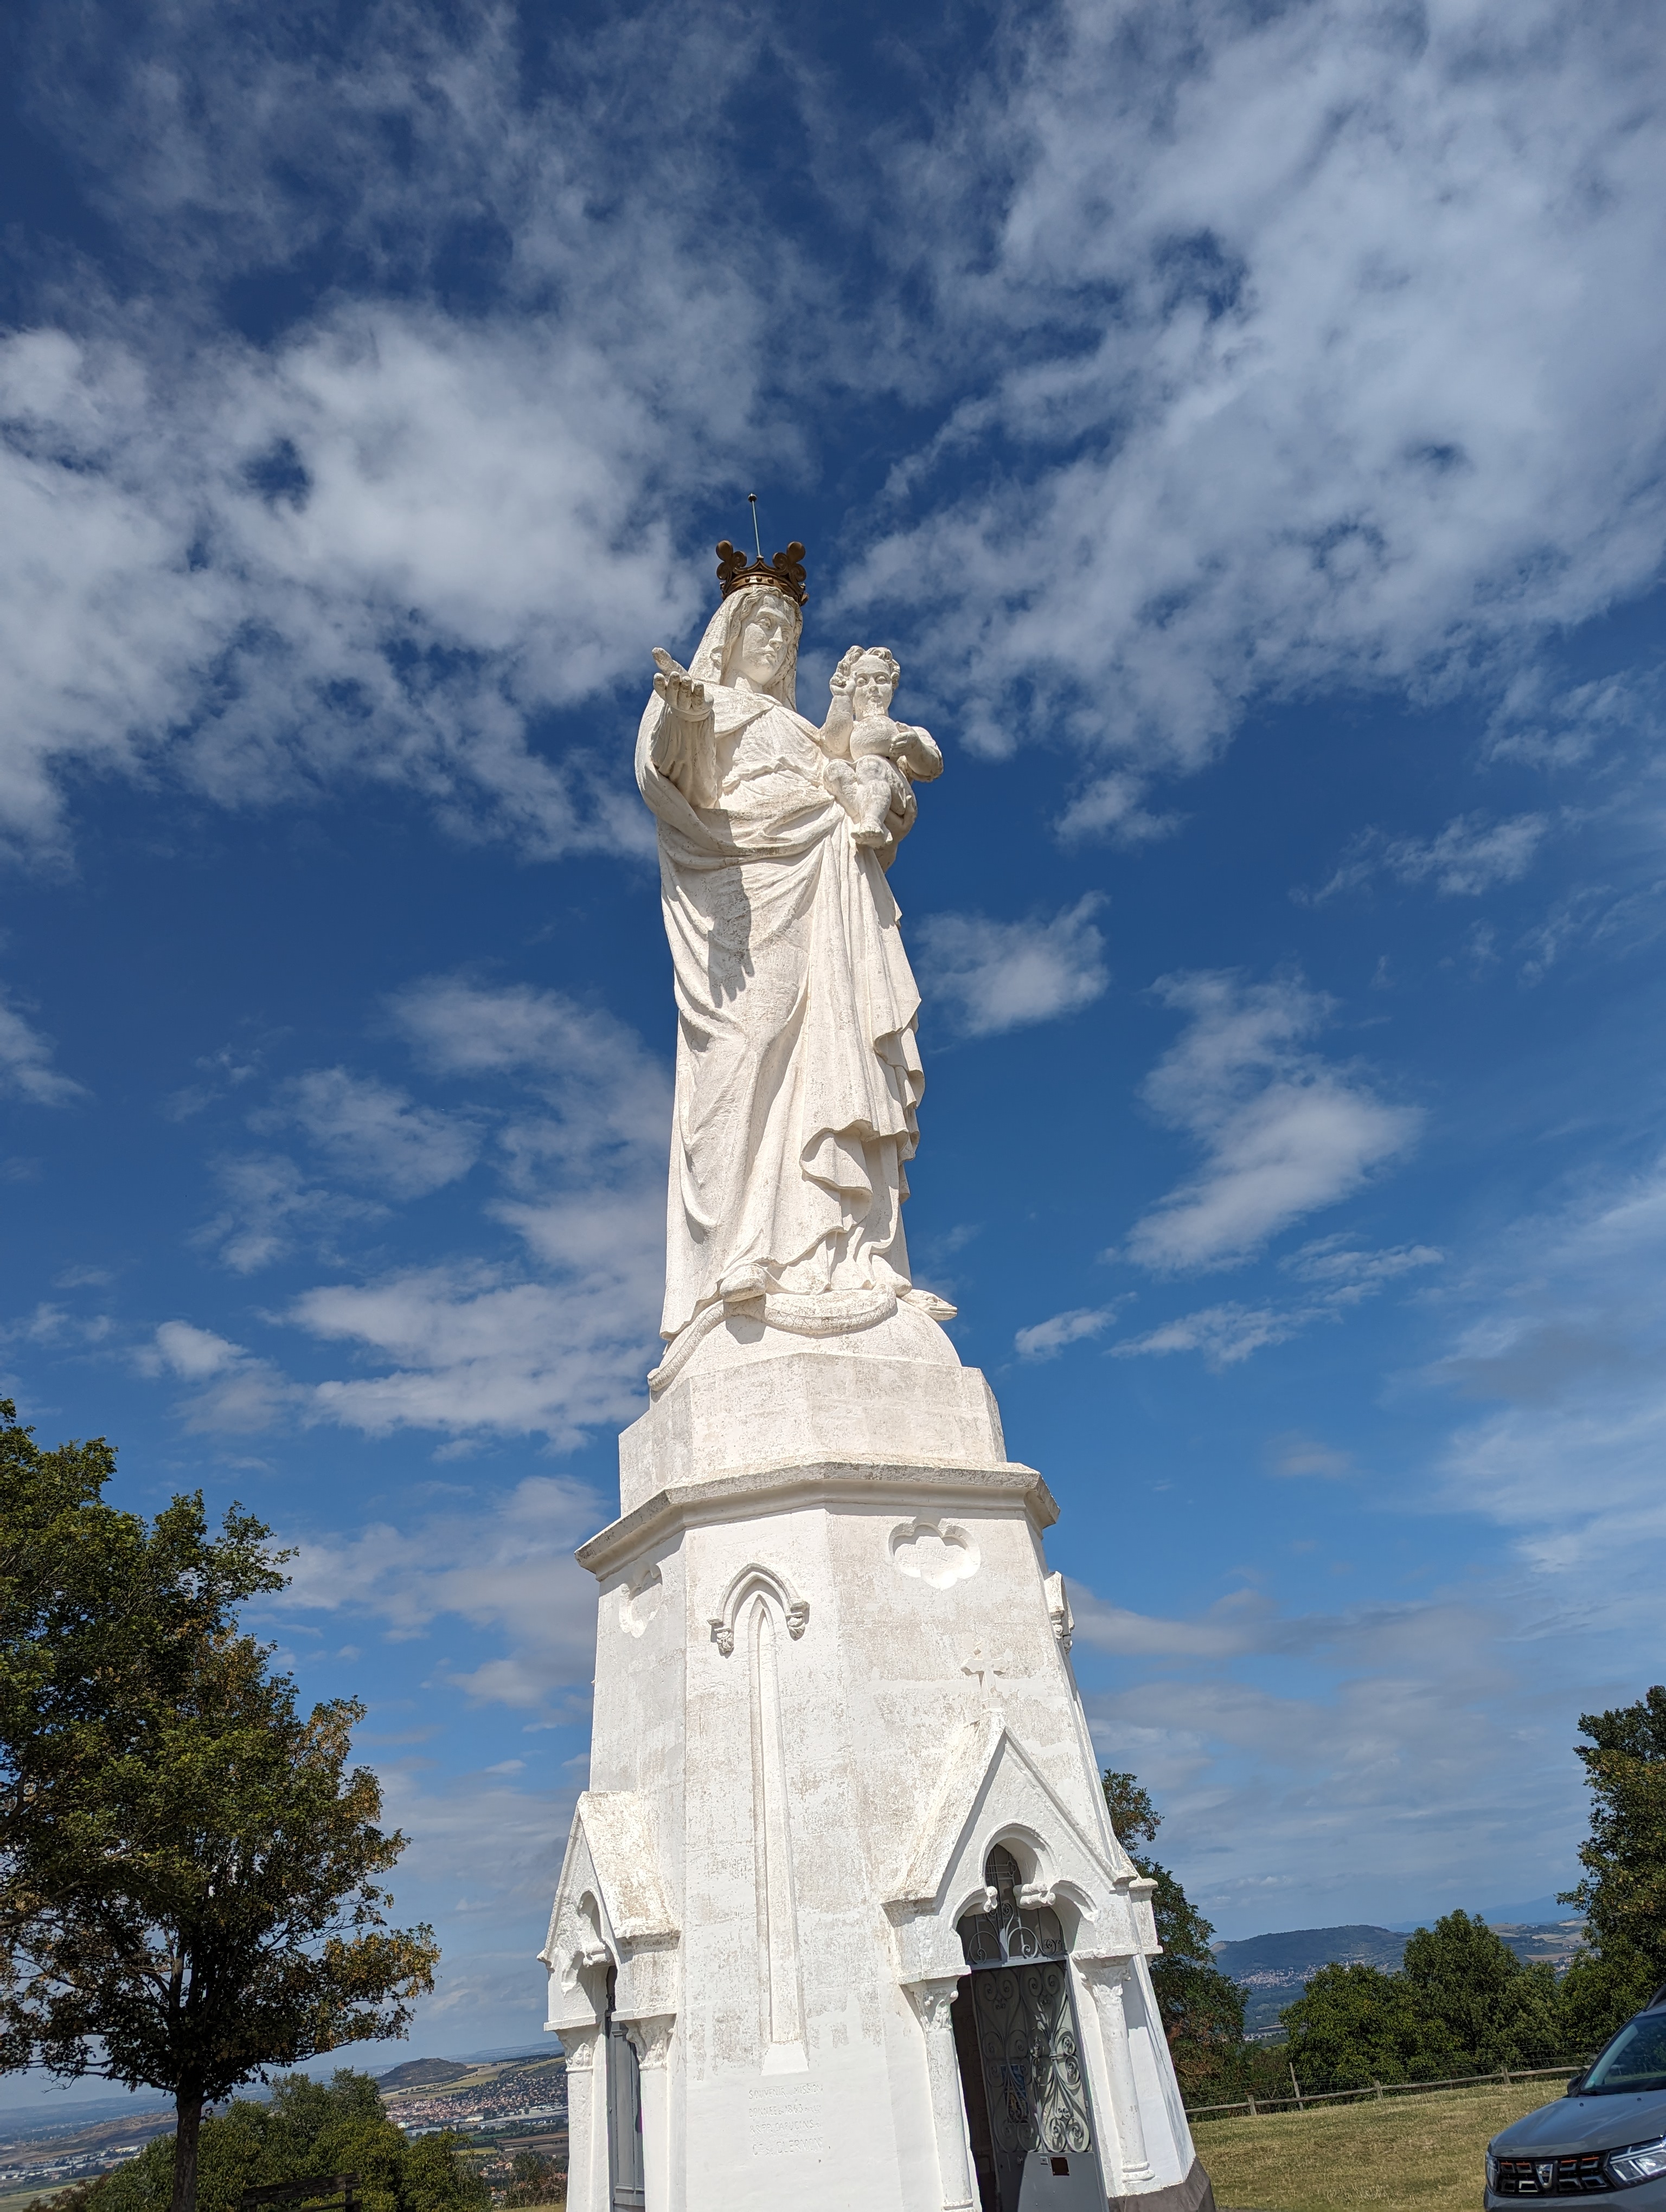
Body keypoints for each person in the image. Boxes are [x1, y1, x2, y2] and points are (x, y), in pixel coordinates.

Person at [636, 550, 943, 1353]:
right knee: (750, 1054)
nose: (776, 642)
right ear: (730, 635)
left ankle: (849, 1255)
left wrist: (857, 747)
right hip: (747, 896)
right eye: (762, 626)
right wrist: (684, 718)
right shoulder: (706, 704)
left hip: (826, 892)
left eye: (787, 631)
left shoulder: (804, 729)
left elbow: (863, 775)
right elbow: (680, 784)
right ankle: (733, 1258)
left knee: (835, 1050)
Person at [818, 646, 943, 850]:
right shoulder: (850, 727)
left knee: (870, 765)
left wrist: (914, 748)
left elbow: (932, 768)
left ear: (892, 688)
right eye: (862, 682)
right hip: (857, 796)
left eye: (881, 680)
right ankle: (864, 818)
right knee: (834, 771)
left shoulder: (904, 730)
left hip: (895, 801)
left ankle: (872, 822)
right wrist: (842, 698)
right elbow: (835, 745)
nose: (873, 688)